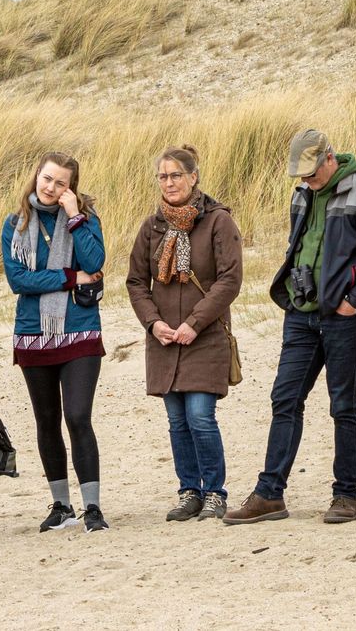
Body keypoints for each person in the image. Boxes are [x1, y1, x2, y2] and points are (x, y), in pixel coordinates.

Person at [225, 129, 356, 527]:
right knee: (285, 398)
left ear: (330, 160)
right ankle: (269, 494)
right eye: (300, 175)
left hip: (349, 317)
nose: (306, 180)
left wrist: (353, 301)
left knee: (344, 405)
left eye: (311, 173)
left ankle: (345, 496)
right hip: (302, 313)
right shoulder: (301, 194)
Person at [125, 145, 243, 522]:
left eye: (176, 175)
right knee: (177, 421)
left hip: (204, 334)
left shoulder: (219, 221)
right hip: (163, 339)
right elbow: (136, 281)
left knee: (200, 417)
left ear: (194, 177)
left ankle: (215, 492)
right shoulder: (152, 225)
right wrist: (153, 323)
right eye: (163, 176)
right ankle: (189, 490)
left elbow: (230, 279)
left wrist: (193, 323)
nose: (170, 182)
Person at [3, 152, 109, 533]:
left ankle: (92, 507)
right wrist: (69, 277)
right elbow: (19, 281)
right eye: (46, 179)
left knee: (78, 416)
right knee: (46, 420)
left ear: (71, 188)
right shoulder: (15, 224)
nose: (50, 187)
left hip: (80, 329)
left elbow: (95, 262)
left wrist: (76, 216)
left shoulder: (86, 218)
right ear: (36, 176)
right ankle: (61, 504)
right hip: (33, 333)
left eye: (60, 183)